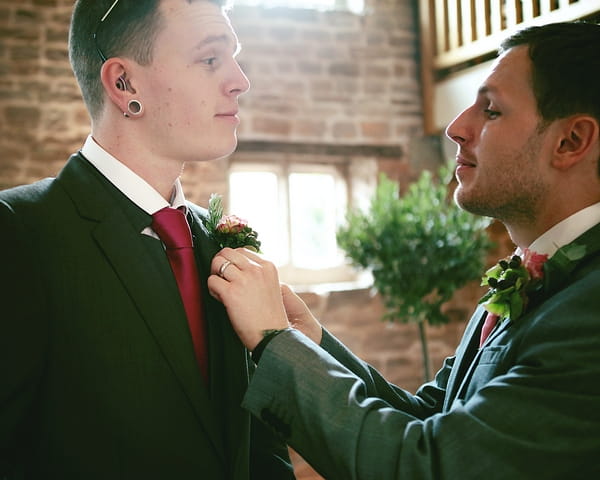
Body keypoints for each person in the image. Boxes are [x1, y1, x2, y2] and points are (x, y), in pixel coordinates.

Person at [208, 21, 600, 479]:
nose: (456, 127)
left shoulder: (589, 312)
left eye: (490, 111)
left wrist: (273, 342)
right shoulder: (534, 274)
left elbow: (426, 466)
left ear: (570, 142)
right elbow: (430, 419)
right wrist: (308, 340)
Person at [0, 0, 295, 478]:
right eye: (210, 59)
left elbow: (259, 446)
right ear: (124, 84)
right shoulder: (16, 233)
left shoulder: (217, 242)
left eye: (234, 58)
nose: (241, 80)